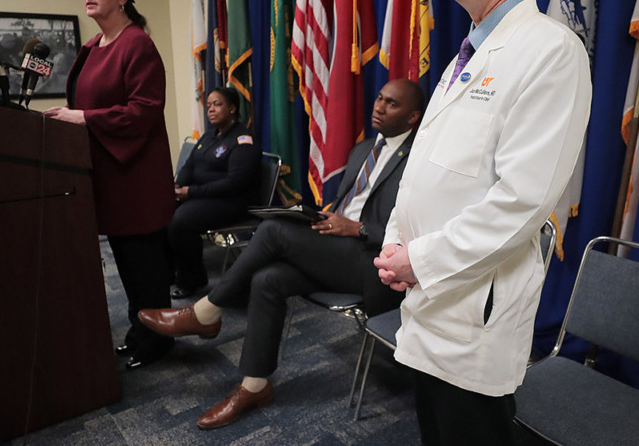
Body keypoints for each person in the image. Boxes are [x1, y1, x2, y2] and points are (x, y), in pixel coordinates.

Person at [372, 0, 592, 446]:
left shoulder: (551, 52)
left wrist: (420, 258)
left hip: (478, 293)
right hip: (430, 282)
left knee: (474, 435)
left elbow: (521, 203)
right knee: (434, 413)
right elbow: (438, 169)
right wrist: (401, 246)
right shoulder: (468, 47)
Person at [137, 79, 425, 428]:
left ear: (413, 117)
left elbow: (420, 232)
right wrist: (319, 217)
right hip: (336, 249)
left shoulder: (421, 160)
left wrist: (359, 229)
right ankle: (254, 386)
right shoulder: (364, 149)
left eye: (391, 104)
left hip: (373, 263)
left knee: (272, 232)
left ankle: (205, 312)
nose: (378, 106)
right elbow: (348, 204)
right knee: (267, 278)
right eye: (379, 98)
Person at [46, 0, 176, 370]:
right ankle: (140, 333)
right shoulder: (91, 47)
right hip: (107, 175)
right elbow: (86, 105)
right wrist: (72, 114)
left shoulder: (136, 43)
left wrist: (83, 118)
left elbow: (145, 111)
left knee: (146, 270)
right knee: (128, 267)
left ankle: (158, 342)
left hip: (135, 177)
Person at [169, 86, 261, 298]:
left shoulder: (243, 140)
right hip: (206, 197)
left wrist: (191, 192)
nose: (211, 109)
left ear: (232, 108)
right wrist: (177, 186)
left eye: (217, 104)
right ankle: (170, 272)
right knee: (163, 208)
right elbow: (189, 166)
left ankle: (193, 281)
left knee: (181, 220)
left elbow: (235, 183)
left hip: (233, 201)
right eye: (209, 105)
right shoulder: (209, 136)